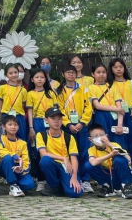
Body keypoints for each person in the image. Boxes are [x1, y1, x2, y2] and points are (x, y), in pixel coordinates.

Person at [108, 57, 132, 189]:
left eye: (121, 67)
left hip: (131, 115)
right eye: (115, 67)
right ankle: (121, 175)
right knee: (118, 145)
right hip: (115, 115)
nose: (118, 69)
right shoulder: (108, 84)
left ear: (124, 68)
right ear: (111, 69)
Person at [56, 65, 93, 193]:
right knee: (71, 154)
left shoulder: (83, 89)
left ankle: (86, 180)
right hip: (68, 127)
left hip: (82, 126)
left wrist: (82, 123)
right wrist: (68, 124)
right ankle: (74, 178)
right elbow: (60, 109)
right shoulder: (59, 91)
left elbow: (88, 107)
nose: (71, 74)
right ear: (63, 74)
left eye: (73, 72)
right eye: (68, 72)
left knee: (84, 152)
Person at [36, 106, 82, 198]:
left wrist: (74, 177)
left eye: (59, 119)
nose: (56, 121)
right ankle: (54, 186)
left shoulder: (69, 137)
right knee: (45, 160)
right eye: (53, 118)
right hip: (52, 164)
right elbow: (43, 153)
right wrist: (63, 158)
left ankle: (64, 185)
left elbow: (74, 159)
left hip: (66, 167)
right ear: (46, 120)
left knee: (74, 193)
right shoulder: (41, 135)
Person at [25, 68, 58, 191]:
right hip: (37, 122)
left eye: (42, 77)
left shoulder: (51, 93)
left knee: (51, 149)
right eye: (37, 77)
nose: (39, 79)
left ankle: (51, 179)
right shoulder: (30, 94)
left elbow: (56, 111)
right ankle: (40, 180)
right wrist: (31, 128)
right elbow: (29, 112)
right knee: (38, 151)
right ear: (32, 79)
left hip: (50, 121)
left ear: (46, 79)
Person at [85, 124, 132, 199]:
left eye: (101, 135)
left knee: (119, 159)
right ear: (90, 139)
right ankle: (106, 186)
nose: (100, 138)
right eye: (96, 136)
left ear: (106, 136)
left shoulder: (114, 145)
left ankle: (125, 186)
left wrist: (109, 144)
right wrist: (111, 155)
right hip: (107, 175)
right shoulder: (91, 149)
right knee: (88, 165)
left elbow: (127, 157)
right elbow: (93, 162)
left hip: (119, 174)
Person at [0, 115, 35, 197]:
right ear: (3, 127)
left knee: (29, 184)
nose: (13, 127)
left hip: (18, 168)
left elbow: (26, 161)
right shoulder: (1, 138)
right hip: (5, 166)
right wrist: (15, 156)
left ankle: (15, 183)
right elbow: (0, 150)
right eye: (10, 124)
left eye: (15, 125)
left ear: (18, 127)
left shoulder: (23, 143)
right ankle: (13, 185)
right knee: (7, 158)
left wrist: (21, 169)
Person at [87, 64, 124, 138]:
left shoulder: (112, 87)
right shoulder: (91, 88)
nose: (101, 74)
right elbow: (97, 106)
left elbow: (120, 107)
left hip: (115, 116)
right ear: (93, 74)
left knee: (117, 138)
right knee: (102, 138)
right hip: (100, 115)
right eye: (98, 72)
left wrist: (120, 125)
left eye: (103, 72)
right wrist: (117, 109)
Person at [0, 64, 28, 142]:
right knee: (6, 140)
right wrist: (2, 120)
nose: (13, 75)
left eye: (15, 72)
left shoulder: (23, 90)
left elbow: (22, 106)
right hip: (6, 116)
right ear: (6, 75)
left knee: (21, 139)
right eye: (10, 73)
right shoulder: (2, 88)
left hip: (19, 117)